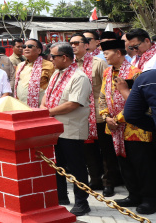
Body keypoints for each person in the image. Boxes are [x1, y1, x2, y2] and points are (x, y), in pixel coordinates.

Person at [98, 39, 155, 214]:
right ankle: (133, 195)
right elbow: (102, 98)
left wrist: (118, 118)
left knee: (143, 165)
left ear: (118, 52)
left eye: (107, 53)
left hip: (136, 128)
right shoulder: (107, 72)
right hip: (115, 128)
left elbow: (143, 103)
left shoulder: (135, 72)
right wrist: (106, 117)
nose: (104, 56)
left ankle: (149, 199)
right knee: (124, 163)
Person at [43, 42, 92, 216]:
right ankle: (61, 196)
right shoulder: (57, 73)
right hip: (54, 128)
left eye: (53, 56)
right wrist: (43, 110)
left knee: (76, 167)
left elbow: (73, 104)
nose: (50, 59)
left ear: (64, 57)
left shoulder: (79, 77)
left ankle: (82, 202)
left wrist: (46, 112)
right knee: (57, 164)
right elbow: (46, 96)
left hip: (71, 129)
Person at [71, 34, 118, 196]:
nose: (73, 46)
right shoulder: (70, 65)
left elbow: (108, 89)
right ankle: (95, 179)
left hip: (99, 113)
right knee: (88, 150)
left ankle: (109, 182)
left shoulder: (98, 63)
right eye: (71, 43)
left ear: (86, 45)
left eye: (77, 43)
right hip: (81, 113)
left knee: (106, 150)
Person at [12, 39, 54, 108]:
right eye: (24, 46)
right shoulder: (20, 66)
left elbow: (54, 87)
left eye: (30, 46)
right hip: (21, 107)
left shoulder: (49, 65)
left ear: (39, 50)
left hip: (41, 108)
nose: (26, 48)